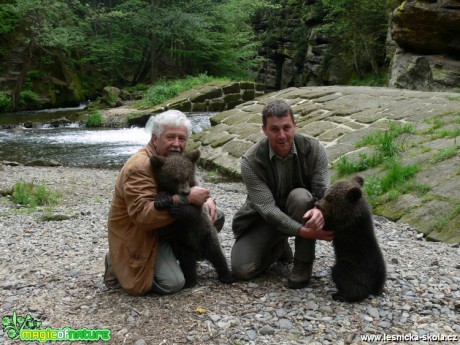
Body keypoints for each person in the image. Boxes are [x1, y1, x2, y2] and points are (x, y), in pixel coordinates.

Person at [104, 110, 224, 296]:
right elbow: (143, 217)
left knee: (216, 216)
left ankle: (188, 256)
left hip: (162, 228)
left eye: (181, 138)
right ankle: (117, 260)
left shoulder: (174, 160)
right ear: (155, 138)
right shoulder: (140, 167)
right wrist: (185, 199)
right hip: (140, 233)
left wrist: (207, 199)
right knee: (172, 283)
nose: (177, 144)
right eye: (170, 137)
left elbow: (188, 184)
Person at [231, 99, 334, 288]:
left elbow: (322, 192)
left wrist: (319, 211)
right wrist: (306, 232)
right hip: (263, 219)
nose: (282, 135)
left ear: (295, 126)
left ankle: (303, 263)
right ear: (264, 130)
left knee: (302, 197)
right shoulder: (250, 161)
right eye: (274, 129)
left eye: (287, 128)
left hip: (300, 208)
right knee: (242, 270)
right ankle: (278, 248)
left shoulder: (315, 149)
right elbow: (268, 209)